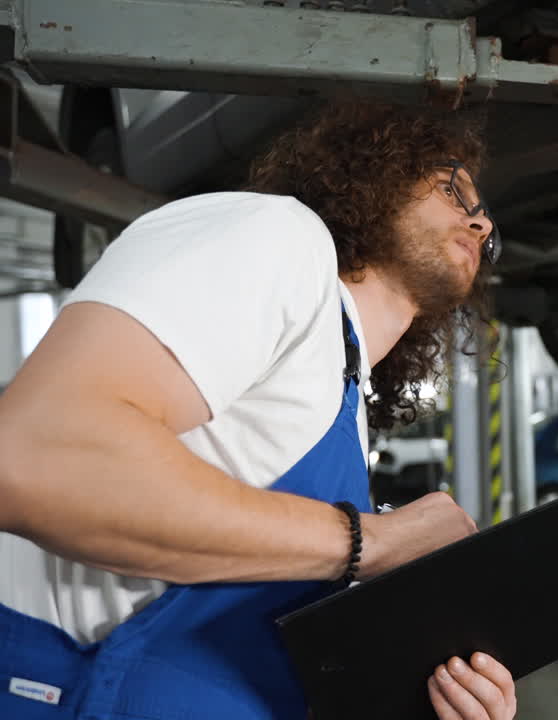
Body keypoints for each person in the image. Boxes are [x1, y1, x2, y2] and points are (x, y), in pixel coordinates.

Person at [0, 103, 517, 720]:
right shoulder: (278, 236)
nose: (481, 223)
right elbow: (38, 458)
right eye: (454, 188)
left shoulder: (339, 385)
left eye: (487, 220)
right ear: (376, 175)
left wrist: (437, 692)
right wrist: (368, 541)